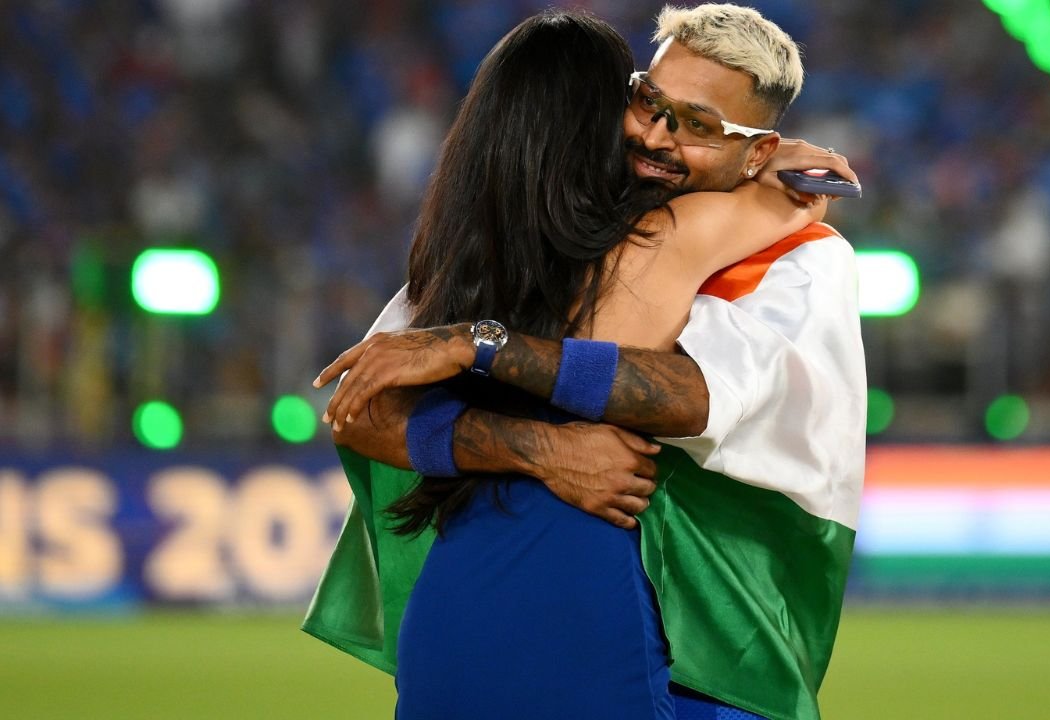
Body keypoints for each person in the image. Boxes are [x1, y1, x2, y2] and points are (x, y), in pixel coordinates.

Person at [307, 5, 866, 720]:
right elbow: (367, 409)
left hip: (711, 648)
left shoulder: (802, 259)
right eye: (648, 102)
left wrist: (484, 347)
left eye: (697, 126)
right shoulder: (548, 240)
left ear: (757, 151)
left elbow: (695, 397)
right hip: (583, 605)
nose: (656, 135)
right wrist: (535, 447)